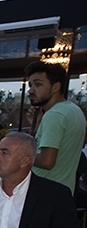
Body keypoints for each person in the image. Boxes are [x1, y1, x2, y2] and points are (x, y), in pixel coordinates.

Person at [26, 60, 86, 194]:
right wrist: (37, 127)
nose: (31, 90)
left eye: (38, 84)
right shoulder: (74, 110)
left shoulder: (54, 115)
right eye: (30, 85)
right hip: (63, 191)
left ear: (55, 87)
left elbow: (47, 161)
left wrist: (21, 155)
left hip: (46, 192)